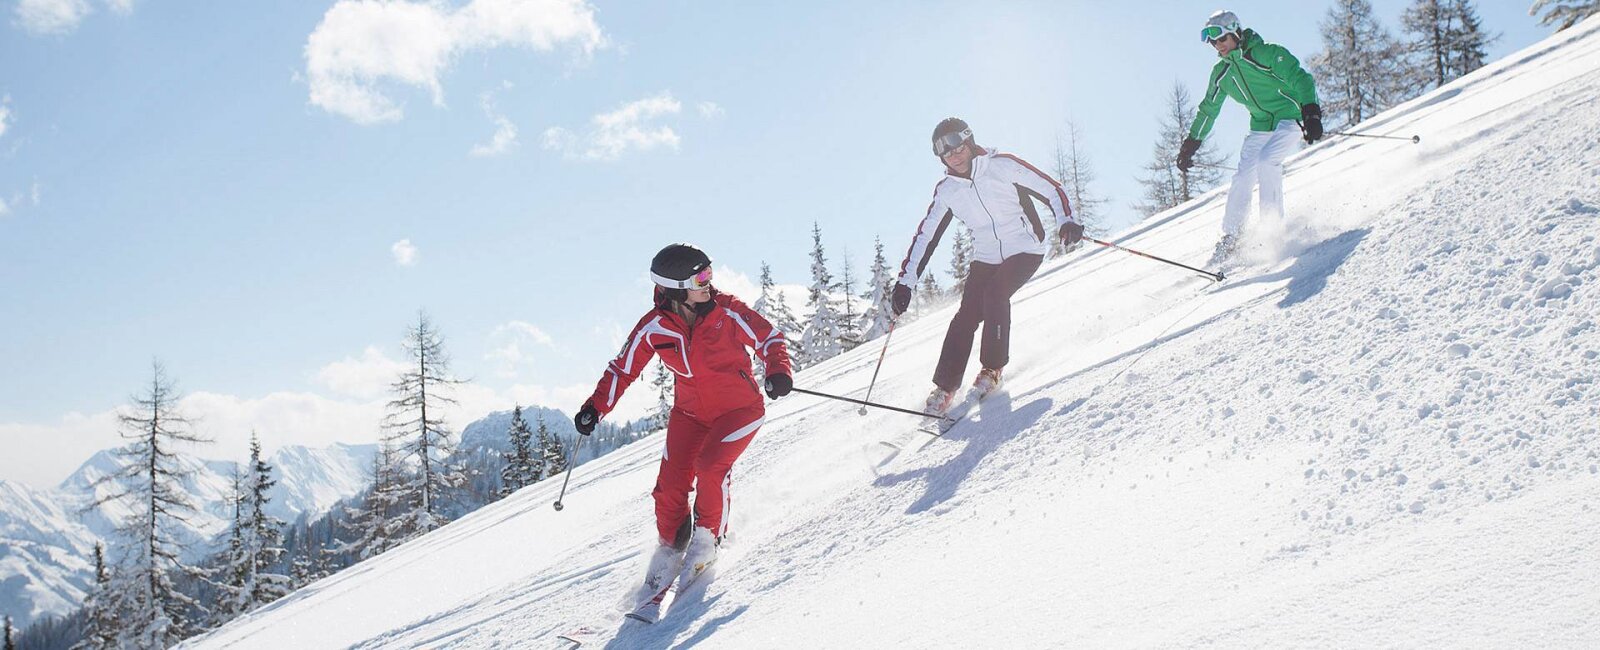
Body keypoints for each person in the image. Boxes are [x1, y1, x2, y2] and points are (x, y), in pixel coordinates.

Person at [571, 243, 792, 616]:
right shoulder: (654, 326)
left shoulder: (727, 311)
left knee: (710, 468)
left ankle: (706, 540)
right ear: (675, 288)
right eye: (700, 277)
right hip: (689, 415)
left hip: (739, 410)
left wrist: (777, 371)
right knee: (669, 486)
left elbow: (770, 339)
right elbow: (623, 369)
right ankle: (673, 544)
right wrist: (595, 407)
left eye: (709, 273)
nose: (709, 282)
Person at [892, 118, 1083, 416]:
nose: (952, 154)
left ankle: (992, 369)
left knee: (995, 293)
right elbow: (926, 236)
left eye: (956, 145)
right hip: (986, 256)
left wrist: (1065, 220)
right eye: (944, 150)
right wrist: (906, 281)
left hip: (1025, 247)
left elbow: (1050, 189)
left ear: (968, 141)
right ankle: (945, 387)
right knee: (966, 316)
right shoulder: (947, 191)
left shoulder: (1002, 166)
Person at [1179, 10, 1323, 264]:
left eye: (1222, 39)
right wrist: (1191, 143)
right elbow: (1208, 109)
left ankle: (1272, 231)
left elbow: (1301, 78)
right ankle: (1231, 238)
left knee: (1267, 162)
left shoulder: (1266, 53)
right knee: (1243, 176)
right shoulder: (1222, 73)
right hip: (1260, 125)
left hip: (1290, 116)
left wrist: (1310, 112)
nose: (1218, 46)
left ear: (1236, 33)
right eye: (1213, 42)